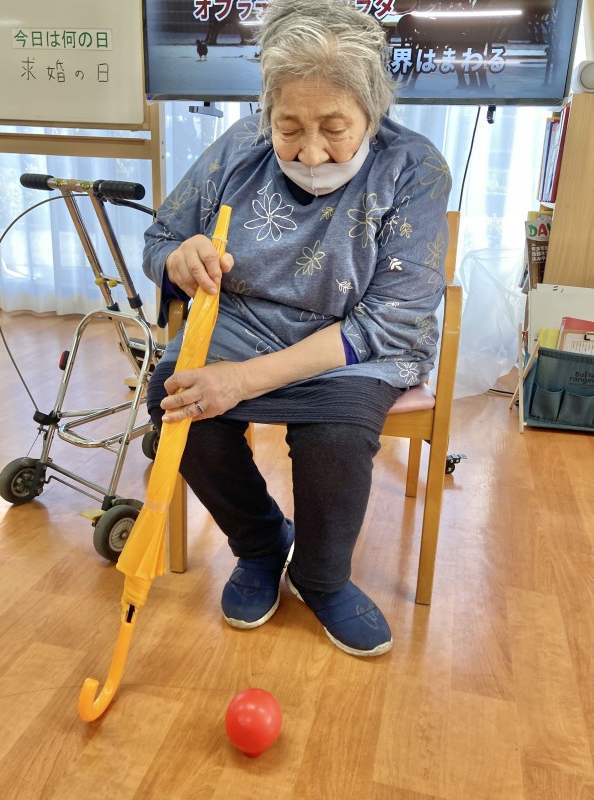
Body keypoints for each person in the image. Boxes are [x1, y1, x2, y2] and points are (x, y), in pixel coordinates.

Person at [143, 0, 451, 658]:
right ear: (267, 113)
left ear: (373, 110)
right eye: (289, 128)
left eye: (335, 128)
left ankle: (320, 577)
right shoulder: (240, 146)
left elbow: (390, 318)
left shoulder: (414, 167)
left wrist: (243, 381)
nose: (311, 152)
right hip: (246, 324)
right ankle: (261, 543)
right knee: (178, 402)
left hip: (354, 343)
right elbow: (162, 237)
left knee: (335, 437)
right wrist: (178, 258)